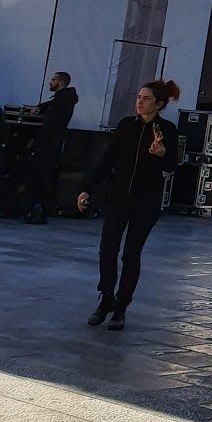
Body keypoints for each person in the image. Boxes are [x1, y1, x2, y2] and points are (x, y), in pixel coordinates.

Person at [77, 78, 180, 329]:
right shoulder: (126, 126)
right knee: (107, 249)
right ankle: (106, 298)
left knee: (132, 253)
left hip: (146, 200)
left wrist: (163, 154)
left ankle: (122, 306)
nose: (140, 102)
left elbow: (172, 166)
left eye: (146, 98)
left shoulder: (166, 130)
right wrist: (87, 189)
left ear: (159, 104)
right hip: (118, 196)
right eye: (138, 97)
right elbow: (108, 159)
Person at [22, 69, 78, 223]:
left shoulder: (60, 101)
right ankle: (41, 210)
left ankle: (36, 211)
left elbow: (49, 125)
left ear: (60, 82)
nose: (50, 82)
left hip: (47, 145)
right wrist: (40, 106)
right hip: (53, 144)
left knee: (39, 177)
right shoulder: (63, 99)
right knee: (46, 177)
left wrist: (36, 144)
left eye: (53, 80)